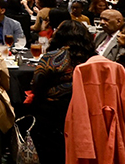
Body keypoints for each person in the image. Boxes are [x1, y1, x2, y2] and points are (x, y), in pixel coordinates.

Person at [30, 20, 96, 164]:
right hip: (87, 110)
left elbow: (37, 83)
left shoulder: (53, 57)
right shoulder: (93, 58)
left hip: (53, 112)